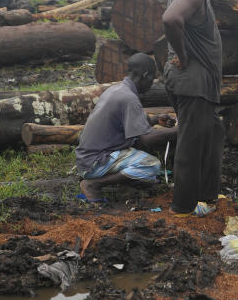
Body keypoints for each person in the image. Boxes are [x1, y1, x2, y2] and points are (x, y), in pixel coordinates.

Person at [161, 0, 230, 217]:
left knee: (213, 132)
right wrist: (183, 55)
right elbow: (170, 19)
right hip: (193, 82)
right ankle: (182, 209)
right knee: (190, 143)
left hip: (199, 83)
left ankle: (206, 195)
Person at [74, 53, 177, 203]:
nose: (151, 83)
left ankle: (121, 182)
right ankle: (94, 184)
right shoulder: (129, 98)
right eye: (152, 78)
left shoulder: (117, 89)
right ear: (146, 75)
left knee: (142, 162)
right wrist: (179, 130)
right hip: (96, 163)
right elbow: (147, 139)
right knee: (151, 165)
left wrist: (154, 119)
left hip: (86, 159)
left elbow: (130, 121)